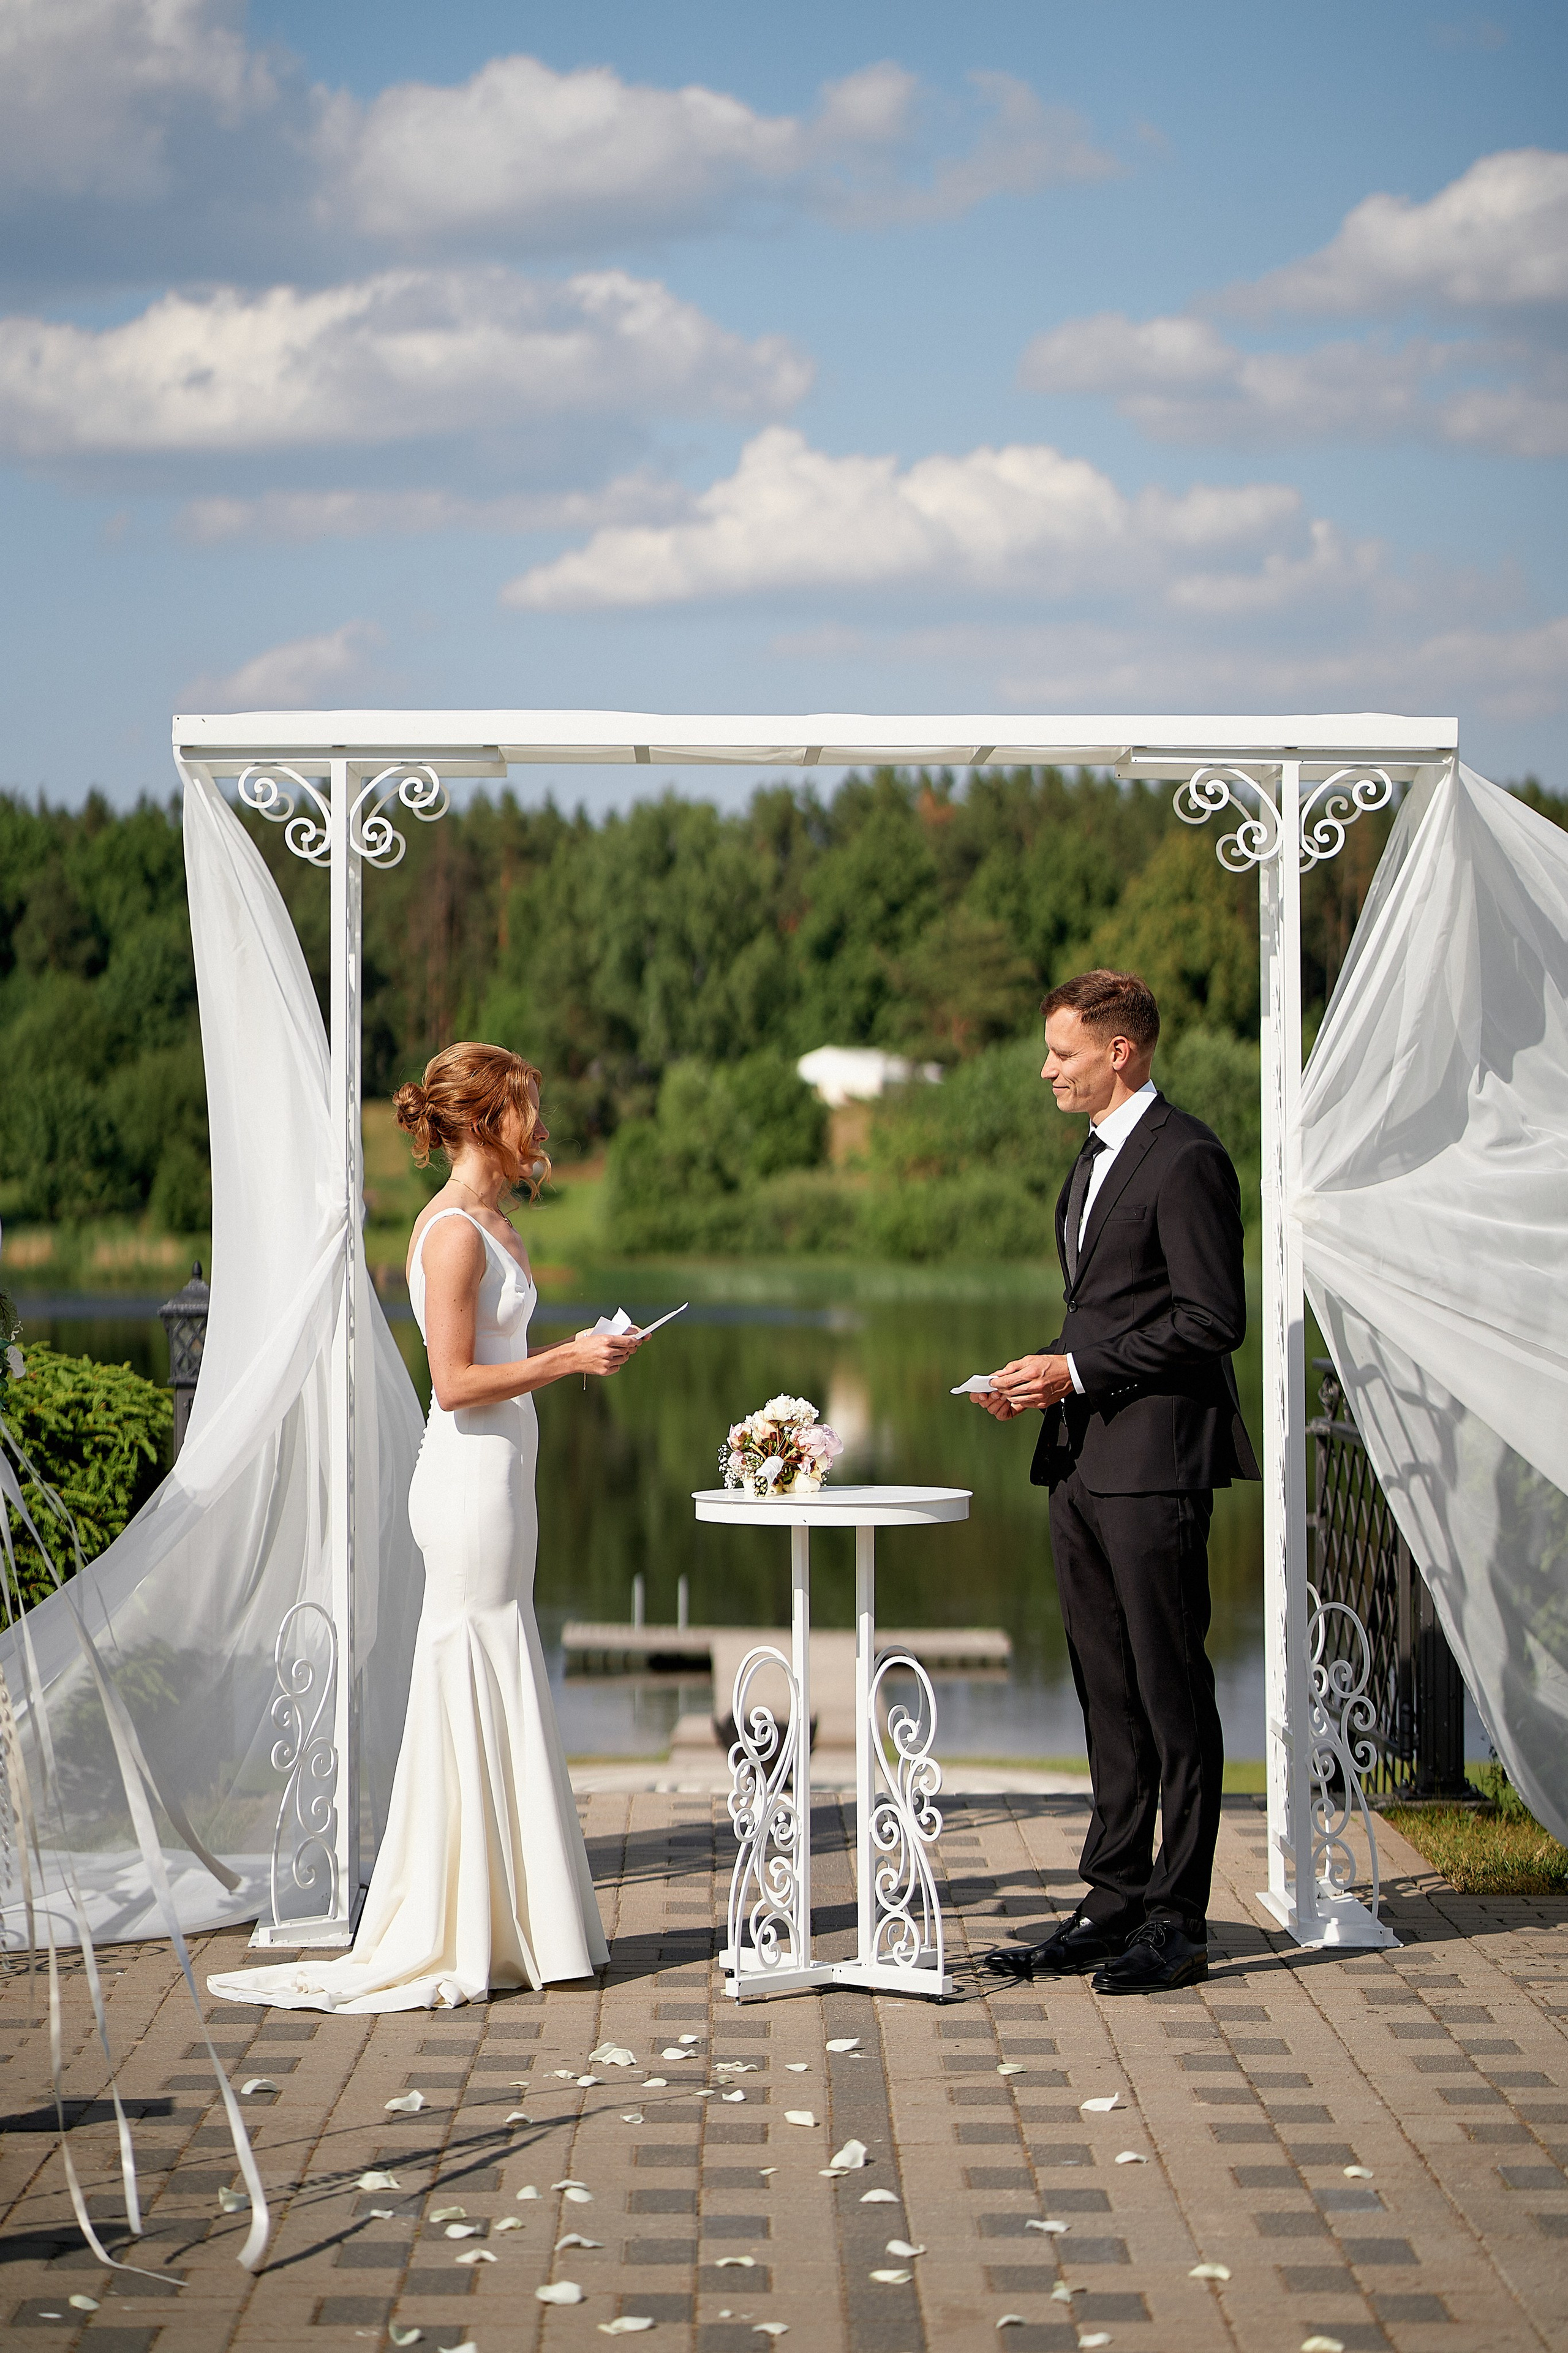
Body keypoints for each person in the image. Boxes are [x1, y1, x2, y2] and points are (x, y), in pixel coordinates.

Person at [208, 1042, 641, 2012]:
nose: (542, 1130)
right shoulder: (452, 1233)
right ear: (486, 1119)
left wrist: (582, 1353)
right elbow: (451, 1383)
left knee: (502, 1656)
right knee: (473, 1659)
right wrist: (571, 1359)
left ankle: (511, 1916)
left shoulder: (497, 1223)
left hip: (506, 1475)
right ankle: (461, 1921)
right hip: (465, 1480)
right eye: (527, 1110)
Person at [973, 971, 1259, 1993]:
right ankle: (1112, 1898)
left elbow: (1213, 1317)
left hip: (1156, 1468)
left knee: (1172, 1691)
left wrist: (1081, 1371)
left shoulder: (1187, 1158)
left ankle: (1178, 1919)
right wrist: (1039, 1376)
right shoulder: (1093, 1162)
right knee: (1106, 1689)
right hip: (1083, 1462)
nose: (1047, 1069)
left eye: (1063, 1052)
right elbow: (1108, 1313)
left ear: (1121, 1051)